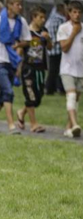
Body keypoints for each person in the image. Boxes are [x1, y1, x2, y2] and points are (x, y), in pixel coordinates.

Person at [0, 0, 31, 135]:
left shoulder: (22, 22)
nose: (20, 7)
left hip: (12, 62)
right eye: (17, 4)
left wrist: (18, 45)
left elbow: (27, 40)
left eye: (20, 4)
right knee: (8, 91)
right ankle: (11, 125)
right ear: (9, 5)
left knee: (4, 93)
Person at [16, 6, 51, 134]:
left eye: (44, 17)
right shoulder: (26, 32)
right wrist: (17, 68)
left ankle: (21, 112)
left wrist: (48, 38)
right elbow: (19, 51)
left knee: (38, 96)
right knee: (30, 96)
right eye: (40, 17)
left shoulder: (44, 31)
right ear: (33, 18)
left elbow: (51, 48)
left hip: (41, 68)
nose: (43, 20)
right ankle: (33, 124)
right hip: (28, 68)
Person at [57, 1, 83, 138]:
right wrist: (74, 32)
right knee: (71, 96)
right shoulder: (64, 28)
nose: (77, 15)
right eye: (74, 12)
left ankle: (69, 129)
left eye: (79, 12)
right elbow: (64, 48)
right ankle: (75, 124)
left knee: (75, 101)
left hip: (81, 69)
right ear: (69, 13)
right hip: (67, 69)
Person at [45, 3, 66, 95]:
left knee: (54, 70)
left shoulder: (50, 20)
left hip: (51, 49)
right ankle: (52, 88)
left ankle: (53, 88)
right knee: (57, 70)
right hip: (58, 48)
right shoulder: (60, 20)